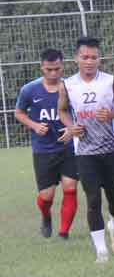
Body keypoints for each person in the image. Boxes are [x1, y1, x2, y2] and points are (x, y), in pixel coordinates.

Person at [58, 37, 114, 263]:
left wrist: (110, 115)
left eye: (93, 57)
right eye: (84, 57)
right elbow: (62, 111)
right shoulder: (68, 84)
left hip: (110, 149)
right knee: (92, 200)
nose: (89, 61)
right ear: (76, 59)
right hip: (85, 151)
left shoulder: (110, 81)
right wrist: (72, 127)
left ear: (100, 58)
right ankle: (101, 250)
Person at [15, 48, 78, 240]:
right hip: (43, 150)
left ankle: (63, 232)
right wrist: (34, 126)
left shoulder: (71, 87)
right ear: (42, 67)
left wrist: (72, 129)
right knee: (46, 196)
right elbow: (19, 113)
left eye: (57, 69)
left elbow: (81, 113)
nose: (53, 73)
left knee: (70, 187)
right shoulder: (29, 89)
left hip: (68, 147)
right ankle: (46, 216)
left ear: (63, 66)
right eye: (49, 69)